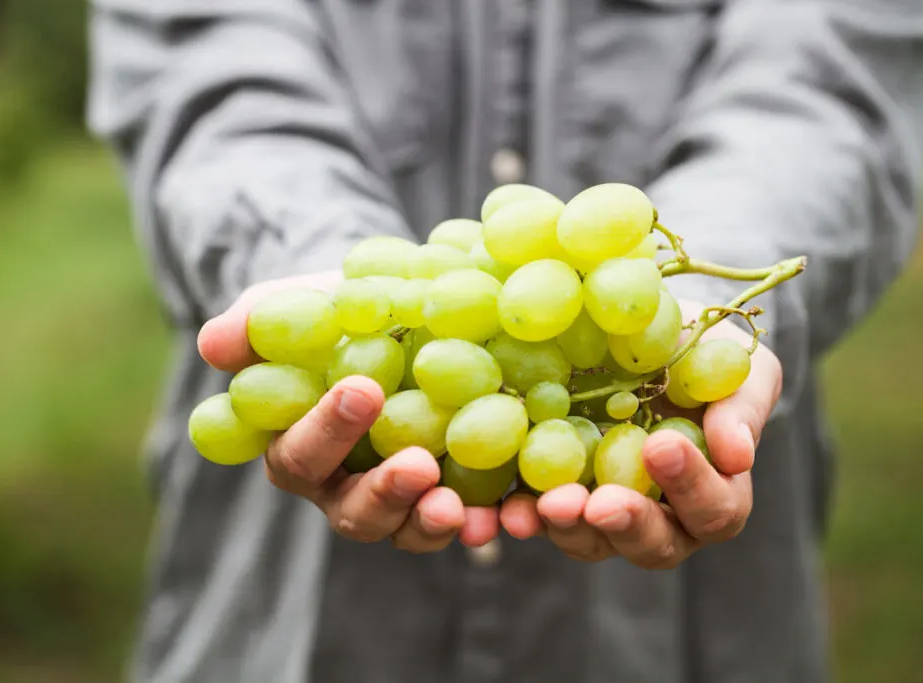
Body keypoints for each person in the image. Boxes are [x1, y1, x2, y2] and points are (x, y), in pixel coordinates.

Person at [87, 1, 923, 681]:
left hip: (686, 631)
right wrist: (317, 268)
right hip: (287, 623)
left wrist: (682, 300)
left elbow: (826, 93)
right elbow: (218, 93)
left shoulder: (678, 329)